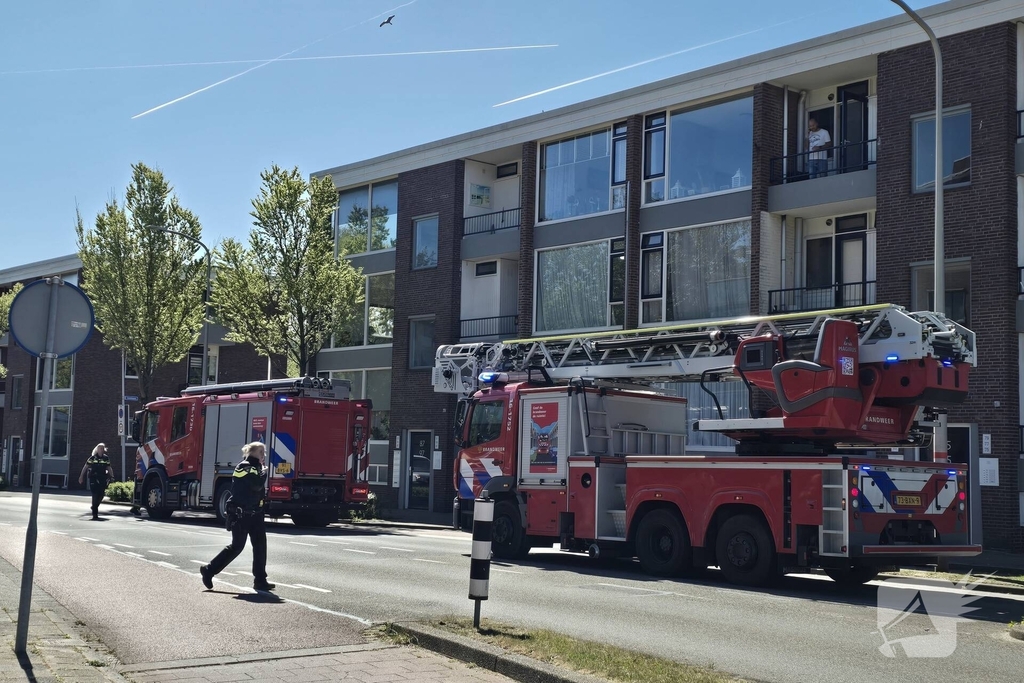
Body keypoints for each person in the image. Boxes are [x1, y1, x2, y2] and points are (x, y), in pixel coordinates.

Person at [200, 442, 275, 592]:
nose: (264, 455)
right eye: (262, 452)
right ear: (253, 452)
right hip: (241, 514)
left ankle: (260, 580)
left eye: (264, 452)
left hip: (256, 514)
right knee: (237, 547)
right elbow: (256, 485)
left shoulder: (255, 468)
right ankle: (209, 570)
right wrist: (265, 472)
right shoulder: (244, 466)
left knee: (260, 547)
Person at [79, 443, 114, 520]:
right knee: (95, 494)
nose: (101, 450)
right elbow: (85, 467)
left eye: (102, 448)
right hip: (93, 478)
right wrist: (81, 476)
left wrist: (112, 476)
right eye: (100, 448)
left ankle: (94, 506)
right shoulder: (92, 458)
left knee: (101, 494)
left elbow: (109, 468)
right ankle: (95, 514)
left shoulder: (106, 458)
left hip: (102, 478)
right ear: (97, 449)